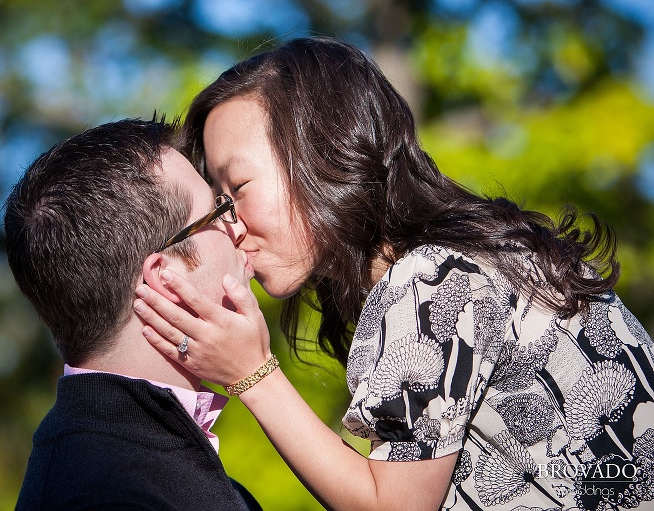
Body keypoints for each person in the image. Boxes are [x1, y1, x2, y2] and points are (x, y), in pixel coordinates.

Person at [132, 37, 654, 510]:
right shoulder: (474, 257)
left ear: (326, 151)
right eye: (218, 200)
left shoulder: (435, 280)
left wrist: (253, 373)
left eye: (238, 188)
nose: (229, 225)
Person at [3, 118, 261, 511]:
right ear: (166, 278)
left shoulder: (112, 458)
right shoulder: (110, 495)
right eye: (217, 211)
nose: (237, 228)